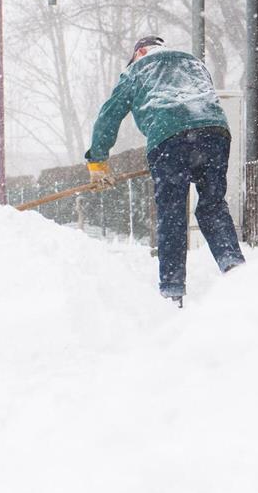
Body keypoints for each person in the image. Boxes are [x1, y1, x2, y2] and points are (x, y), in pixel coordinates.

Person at [85, 36, 245, 306]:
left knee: (172, 213)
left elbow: (109, 115)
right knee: (213, 206)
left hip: (169, 137)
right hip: (215, 131)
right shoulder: (192, 62)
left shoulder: (138, 68)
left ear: (140, 52)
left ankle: (172, 290)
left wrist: (98, 161)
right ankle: (235, 268)